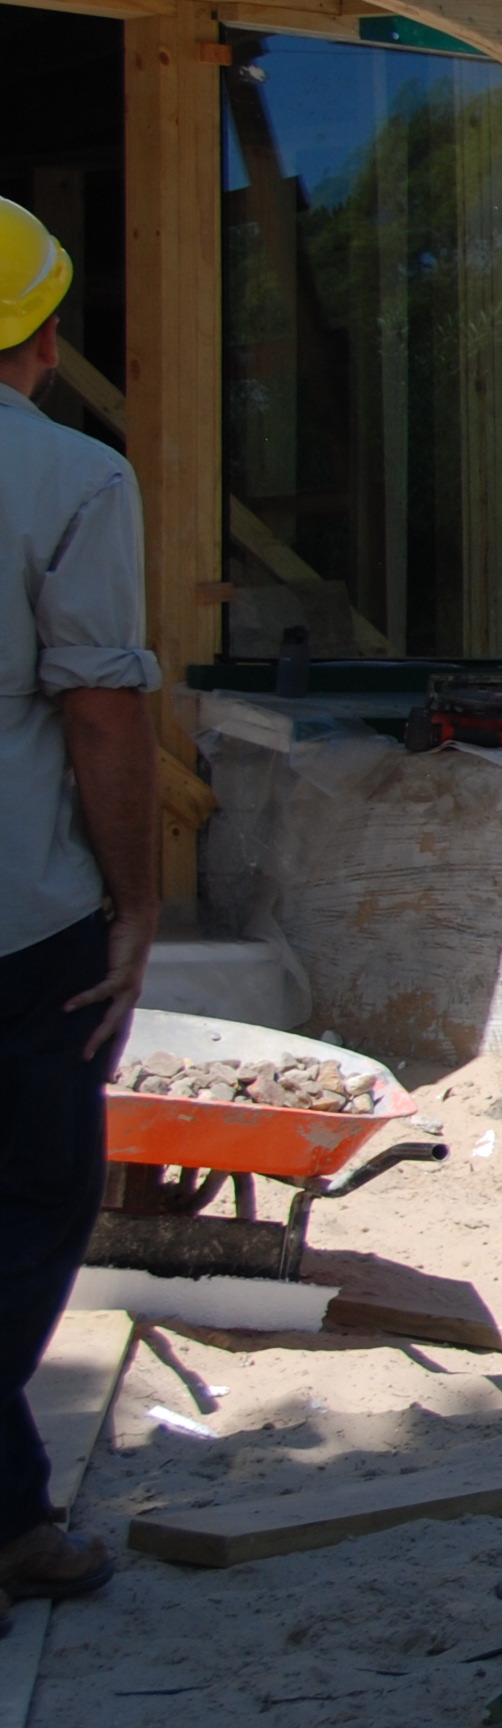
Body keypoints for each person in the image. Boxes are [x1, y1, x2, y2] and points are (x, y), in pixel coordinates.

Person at [0, 199, 148, 1612]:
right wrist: (137, 898)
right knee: (37, 1196)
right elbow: (102, 714)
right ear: (41, 339)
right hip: (16, 908)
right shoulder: (70, 480)